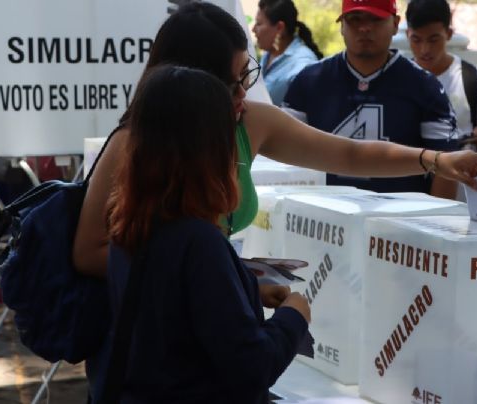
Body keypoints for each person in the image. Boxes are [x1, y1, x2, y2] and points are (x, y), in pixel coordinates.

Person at [73, 3, 477, 293]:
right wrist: (219, 277)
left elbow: (348, 153)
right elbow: (89, 253)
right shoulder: (131, 144)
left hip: (216, 330)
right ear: (190, 80)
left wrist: (437, 160)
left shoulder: (248, 124)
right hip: (151, 350)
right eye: (233, 81)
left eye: (248, 76)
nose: (245, 93)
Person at [87, 64, 310, 402]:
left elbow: (172, 310)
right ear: (211, 149)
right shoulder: (199, 242)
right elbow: (253, 365)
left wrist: (247, 287)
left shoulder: (129, 224)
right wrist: (294, 315)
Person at [282, 0, 461, 198]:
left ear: (395, 24)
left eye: (375, 19)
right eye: (354, 19)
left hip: (398, 219)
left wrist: (434, 223)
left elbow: (446, 167)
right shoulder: (309, 80)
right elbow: (282, 151)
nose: (364, 28)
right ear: (342, 25)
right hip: (323, 216)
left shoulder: (425, 86)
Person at [406, 0, 477, 159]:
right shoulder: (399, 80)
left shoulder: (475, 80)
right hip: (412, 181)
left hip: (465, 182)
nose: (424, 49)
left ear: (448, 34)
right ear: (407, 34)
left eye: (433, 40)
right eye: (416, 40)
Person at [252, 0, 322, 105]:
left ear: (279, 28)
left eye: (259, 23)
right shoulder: (269, 53)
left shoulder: (303, 65)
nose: (253, 29)